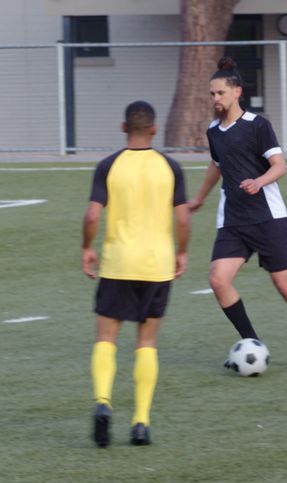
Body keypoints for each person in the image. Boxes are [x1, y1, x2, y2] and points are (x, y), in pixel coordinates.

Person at [188, 57, 287, 371]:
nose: (215, 100)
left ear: (237, 91)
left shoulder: (258, 125)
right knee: (218, 279)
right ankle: (252, 343)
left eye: (220, 93)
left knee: (284, 285)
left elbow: (280, 166)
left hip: (268, 219)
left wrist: (259, 181)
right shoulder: (213, 131)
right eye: (211, 94)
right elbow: (217, 165)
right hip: (233, 221)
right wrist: (198, 198)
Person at [81, 101, 191, 448]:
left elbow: (92, 216)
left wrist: (87, 248)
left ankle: (102, 402)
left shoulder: (108, 166)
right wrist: (183, 251)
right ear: (154, 130)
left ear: (123, 127)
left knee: (105, 339)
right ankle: (141, 422)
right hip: (156, 265)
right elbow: (184, 218)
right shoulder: (170, 167)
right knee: (146, 343)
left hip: (117, 264)